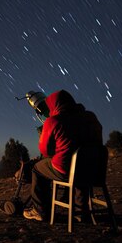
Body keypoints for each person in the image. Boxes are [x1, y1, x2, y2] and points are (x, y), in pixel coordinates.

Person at [23, 89, 103, 221]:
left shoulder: (53, 121)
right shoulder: (90, 117)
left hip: (67, 170)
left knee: (37, 169)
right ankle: (82, 211)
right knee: (81, 165)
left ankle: (40, 211)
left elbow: (45, 151)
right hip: (94, 169)